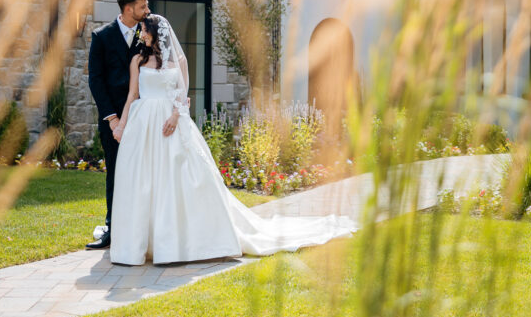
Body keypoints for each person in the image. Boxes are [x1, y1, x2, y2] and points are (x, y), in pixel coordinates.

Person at [109, 14, 357, 265]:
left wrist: (175, 115)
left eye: (144, 29)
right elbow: (132, 95)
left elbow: (182, 96)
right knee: (143, 180)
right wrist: (121, 126)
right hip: (143, 124)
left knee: (174, 179)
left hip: (170, 123)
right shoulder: (137, 60)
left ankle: (175, 243)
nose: (142, 34)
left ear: (155, 31)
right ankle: (145, 241)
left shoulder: (178, 61)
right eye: (141, 30)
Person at [85, 0, 150, 250]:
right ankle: (112, 228)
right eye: (143, 7)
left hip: (144, 116)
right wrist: (112, 119)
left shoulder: (148, 35)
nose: (147, 11)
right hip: (113, 119)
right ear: (128, 9)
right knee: (115, 172)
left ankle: (142, 228)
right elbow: (96, 80)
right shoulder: (101, 36)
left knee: (144, 172)